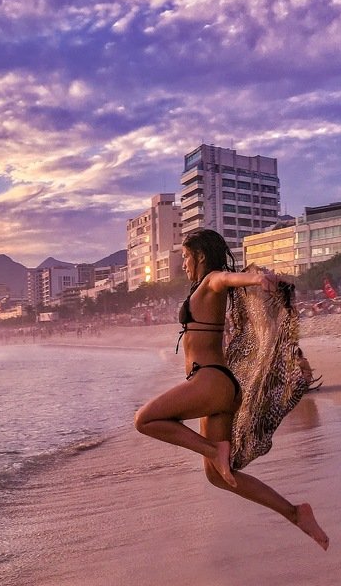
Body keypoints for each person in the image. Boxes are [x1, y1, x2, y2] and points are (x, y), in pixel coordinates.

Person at [134, 229, 329, 551]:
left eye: (185, 256)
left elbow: (228, 278)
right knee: (217, 476)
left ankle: (214, 450)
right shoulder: (200, 287)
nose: (183, 263)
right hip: (217, 387)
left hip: (210, 380)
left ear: (198, 255)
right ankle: (295, 513)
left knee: (146, 420)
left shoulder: (211, 279)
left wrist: (257, 279)